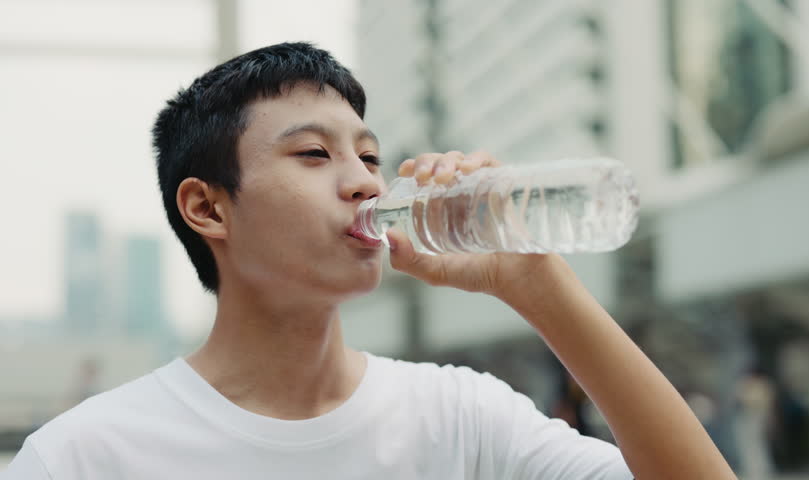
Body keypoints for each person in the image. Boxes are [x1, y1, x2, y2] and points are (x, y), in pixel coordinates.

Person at [3, 42, 735, 479]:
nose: (364, 183)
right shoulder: (86, 457)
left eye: (370, 156)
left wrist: (538, 285)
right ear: (208, 208)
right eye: (314, 154)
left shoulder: (463, 418)